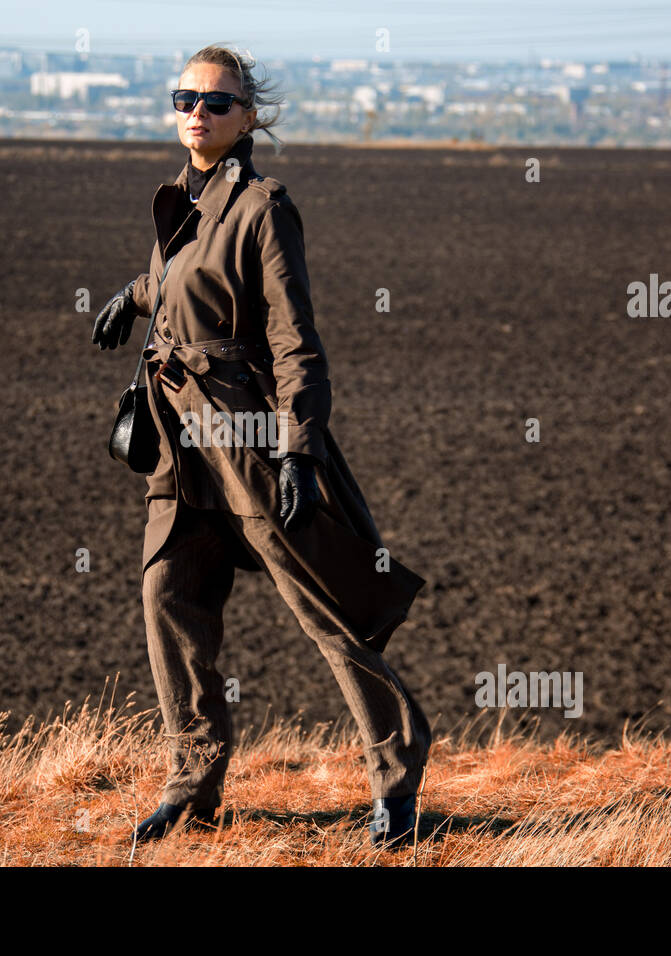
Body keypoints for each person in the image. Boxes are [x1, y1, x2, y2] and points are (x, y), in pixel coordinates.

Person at [92, 45, 431, 850]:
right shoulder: (182, 198)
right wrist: (131, 296)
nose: (197, 113)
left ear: (249, 116)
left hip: (245, 440)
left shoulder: (264, 204)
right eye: (185, 99)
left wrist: (299, 452)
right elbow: (181, 280)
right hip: (180, 447)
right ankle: (193, 783)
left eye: (216, 102)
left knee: (324, 609)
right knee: (168, 596)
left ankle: (397, 777)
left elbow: (296, 342)